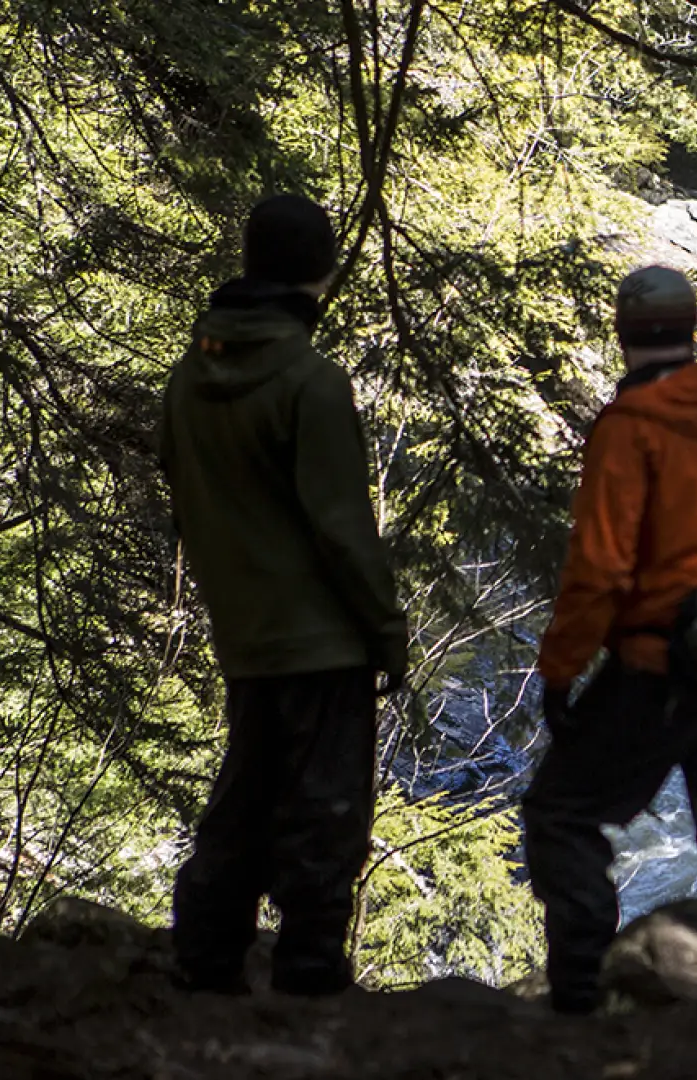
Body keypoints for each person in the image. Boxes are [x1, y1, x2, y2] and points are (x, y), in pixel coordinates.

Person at [522, 265, 697, 1015]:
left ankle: (579, 992)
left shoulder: (629, 426)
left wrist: (559, 671)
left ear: (624, 332)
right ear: (691, 327)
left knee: (560, 812)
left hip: (658, 666)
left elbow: (601, 566)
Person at [156, 194, 407, 997]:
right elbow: (342, 529)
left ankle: (204, 963)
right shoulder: (311, 381)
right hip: (324, 640)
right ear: (323, 273)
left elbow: (177, 477)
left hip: (243, 630)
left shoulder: (188, 376)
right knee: (327, 816)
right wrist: (387, 628)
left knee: (244, 797)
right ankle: (308, 978)